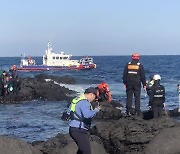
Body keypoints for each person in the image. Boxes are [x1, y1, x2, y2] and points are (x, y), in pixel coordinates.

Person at [68, 87, 100, 154]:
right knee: (86, 151)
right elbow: (87, 115)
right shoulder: (85, 102)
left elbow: (68, 112)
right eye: (95, 97)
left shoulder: (76, 100)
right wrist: (96, 110)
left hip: (73, 128)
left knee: (82, 150)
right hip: (79, 130)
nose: (94, 99)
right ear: (91, 94)